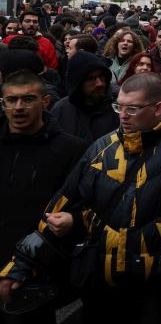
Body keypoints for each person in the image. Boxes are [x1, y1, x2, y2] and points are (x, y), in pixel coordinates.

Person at [0, 73, 161, 324]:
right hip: (101, 280)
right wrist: (21, 266)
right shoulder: (100, 148)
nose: (123, 115)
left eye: (133, 108)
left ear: (158, 108)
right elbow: (62, 207)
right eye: (119, 107)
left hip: (156, 285)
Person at [0, 70, 87, 324]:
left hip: (34, 275)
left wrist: (73, 220)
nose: (18, 107)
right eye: (11, 100)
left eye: (28, 99)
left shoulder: (71, 150)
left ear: (45, 101)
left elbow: (85, 209)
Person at [51, 51, 119, 143]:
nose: (100, 83)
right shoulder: (60, 110)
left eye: (102, 76)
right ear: (78, 83)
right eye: (91, 79)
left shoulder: (118, 108)